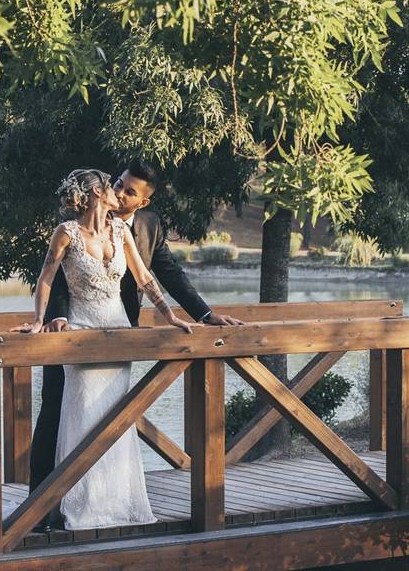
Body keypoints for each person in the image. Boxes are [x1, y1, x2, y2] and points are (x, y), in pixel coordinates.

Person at [23, 161, 244, 532]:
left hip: (120, 332)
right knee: (57, 416)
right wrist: (50, 319)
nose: (120, 191)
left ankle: (108, 501)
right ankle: (38, 511)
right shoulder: (69, 229)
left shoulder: (145, 227)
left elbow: (164, 276)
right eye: (119, 184)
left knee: (112, 418)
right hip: (71, 331)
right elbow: (54, 279)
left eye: (129, 190)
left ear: (142, 202)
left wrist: (203, 316)